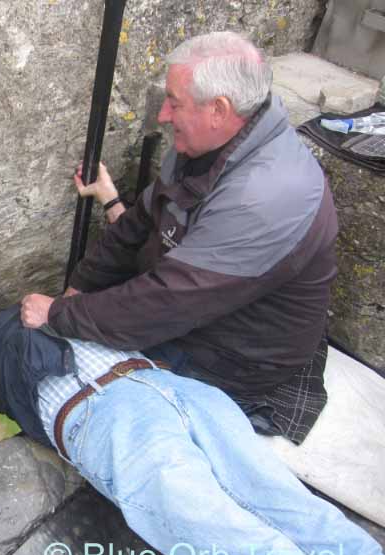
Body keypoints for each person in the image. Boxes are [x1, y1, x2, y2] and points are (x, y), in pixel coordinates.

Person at [0, 227, 385, 555]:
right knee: (233, 537)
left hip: (175, 389)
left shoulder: (52, 315)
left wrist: (111, 199)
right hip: (108, 415)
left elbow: (142, 287)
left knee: (288, 503)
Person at [22, 31, 337, 445]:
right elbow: (139, 221)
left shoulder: (262, 198)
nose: (163, 116)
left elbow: (167, 302)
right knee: (49, 340)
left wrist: (60, 316)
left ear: (218, 111)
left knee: (55, 381)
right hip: (192, 309)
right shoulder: (205, 148)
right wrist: (79, 286)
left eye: (174, 102)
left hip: (231, 356)